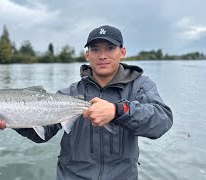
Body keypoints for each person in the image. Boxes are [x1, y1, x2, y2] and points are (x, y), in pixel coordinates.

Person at [14, 25, 173, 180]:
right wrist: (12, 118)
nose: (102, 55)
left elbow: (162, 122)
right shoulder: (69, 93)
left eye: (110, 48)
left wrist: (119, 111)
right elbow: (42, 134)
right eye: (95, 49)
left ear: (122, 52)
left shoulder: (141, 86)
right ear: (87, 55)